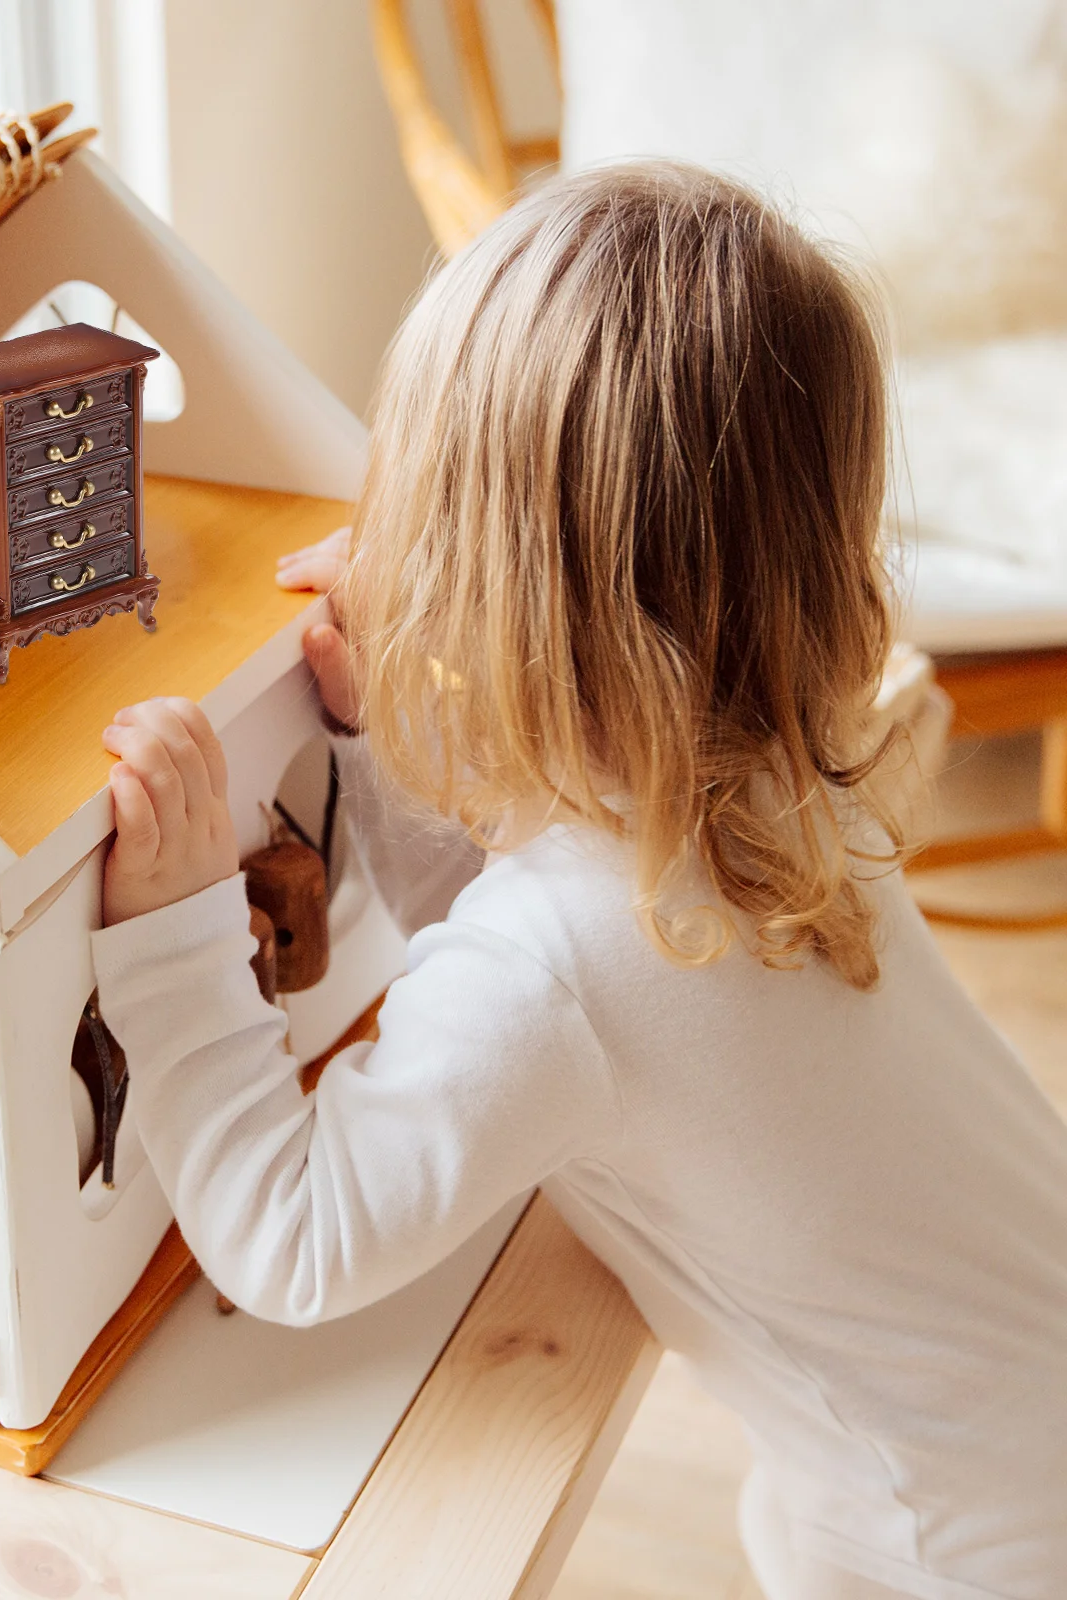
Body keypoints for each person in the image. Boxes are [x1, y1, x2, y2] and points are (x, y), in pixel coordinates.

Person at [88, 163, 1067, 1600]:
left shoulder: (564, 967)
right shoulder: (783, 784)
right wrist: (370, 748)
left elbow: (298, 1242)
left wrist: (172, 931)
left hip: (957, 1542)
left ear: (493, 583)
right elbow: (534, 903)